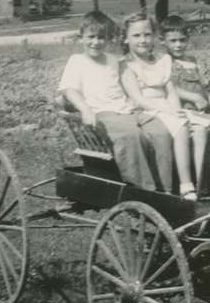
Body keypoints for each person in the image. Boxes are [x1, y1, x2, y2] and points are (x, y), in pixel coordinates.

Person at [58, 11, 173, 192]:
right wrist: (85, 109)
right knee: (131, 136)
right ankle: (145, 191)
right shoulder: (77, 61)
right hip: (103, 114)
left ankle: (167, 189)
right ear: (81, 38)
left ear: (109, 39)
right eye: (91, 37)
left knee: (161, 132)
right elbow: (69, 90)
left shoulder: (115, 61)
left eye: (102, 37)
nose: (96, 42)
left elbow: (131, 84)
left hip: (129, 111)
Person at [120, 12, 210, 201]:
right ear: (126, 39)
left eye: (147, 34)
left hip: (168, 108)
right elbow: (138, 98)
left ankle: (204, 184)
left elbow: (170, 90)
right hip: (146, 110)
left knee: (201, 128)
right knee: (181, 126)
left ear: (154, 36)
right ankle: (186, 185)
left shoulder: (162, 60)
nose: (143, 40)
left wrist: (177, 110)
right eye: (136, 36)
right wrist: (170, 113)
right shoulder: (127, 65)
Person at [159, 15, 210, 130]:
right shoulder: (165, 61)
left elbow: (201, 86)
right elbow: (168, 88)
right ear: (162, 41)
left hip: (201, 108)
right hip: (183, 110)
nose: (178, 45)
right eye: (173, 41)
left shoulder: (191, 61)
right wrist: (194, 97)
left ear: (188, 38)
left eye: (182, 40)